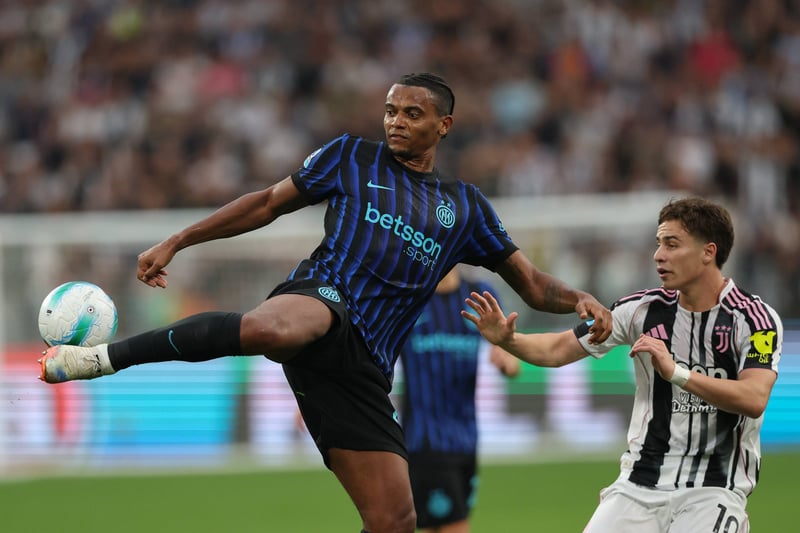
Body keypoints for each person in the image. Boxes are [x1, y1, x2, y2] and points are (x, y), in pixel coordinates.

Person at [38, 72, 612, 533]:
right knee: (274, 330)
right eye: (390, 110)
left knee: (395, 520)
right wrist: (179, 240)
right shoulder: (350, 157)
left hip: (366, 364)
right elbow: (267, 203)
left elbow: (534, 285)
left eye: (412, 113)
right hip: (324, 295)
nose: (396, 121)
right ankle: (102, 359)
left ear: (444, 125)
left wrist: (579, 299)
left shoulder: (465, 208)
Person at [462, 197, 782, 533]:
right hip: (638, 485)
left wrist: (676, 373)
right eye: (658, 243)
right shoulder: (640, 310)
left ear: (708, 252)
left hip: (714, 489)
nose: (658, 255)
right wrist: (509, 340)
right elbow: (557, 350)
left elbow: (754, 397)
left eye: (672, 244)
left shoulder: (755, 320)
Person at [399, 267, 519, 533]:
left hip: (466, 438)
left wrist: (507, 361)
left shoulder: (479, 294)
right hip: (426, 440)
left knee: (436, 527)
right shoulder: (408, 296)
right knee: (456, 526)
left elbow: (510, 356)